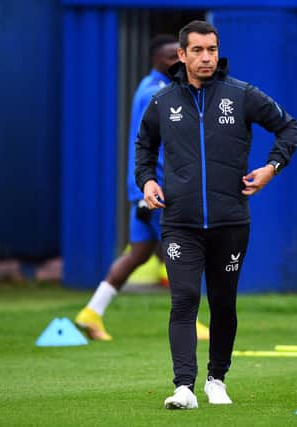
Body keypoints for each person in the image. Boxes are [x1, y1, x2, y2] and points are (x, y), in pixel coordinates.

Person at [135, 20, 297, 409]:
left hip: (230, 222)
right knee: (185, 298)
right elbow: (144, 148)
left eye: (211, 49)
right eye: (197, 50)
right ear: (182, 55)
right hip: (180, 223)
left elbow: (287, 128)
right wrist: (147, 182)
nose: (206, 57)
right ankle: (183, 387)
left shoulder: (241, 95)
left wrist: (271, 168)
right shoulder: (162, 102)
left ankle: (216, 379)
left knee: (223, 303)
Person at [74, 34, 210, 342]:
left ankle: (92, 312)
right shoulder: (159, 92)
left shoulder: (147, 89)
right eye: (179, 57)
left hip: (145, 189)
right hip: (158, 189)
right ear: (164, 61)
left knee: (139, 253)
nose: (186, 61)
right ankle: (189, 323)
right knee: (181, 252)